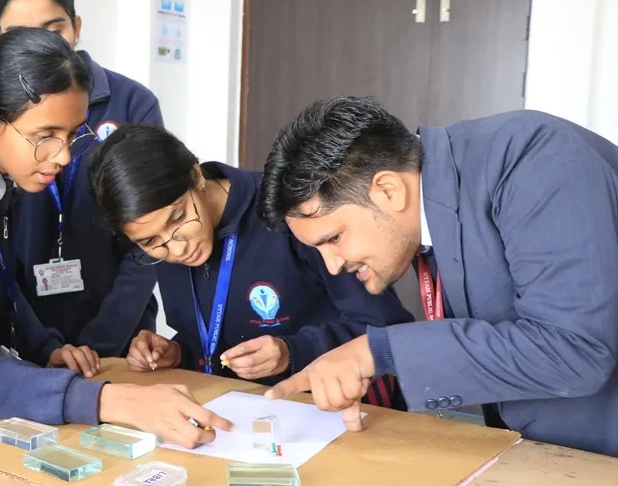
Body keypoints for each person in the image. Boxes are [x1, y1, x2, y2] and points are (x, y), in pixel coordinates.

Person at [0, 27, 232, 447]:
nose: (64, 156)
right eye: (46, 137)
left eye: (73, 135)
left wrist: (44, 346)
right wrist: (112, 402)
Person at [259, 96, 618, 456]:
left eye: (334, 238)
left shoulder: (531, 158)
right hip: (542, 453)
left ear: (388, 191)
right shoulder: (425, 213)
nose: (333, 265)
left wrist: (380, 352)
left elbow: (575, 349)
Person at [87, 124, 413, 408]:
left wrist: (291, 351)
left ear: (196, 176)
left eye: (177, 219)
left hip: (336, 406)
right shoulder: (166, 240)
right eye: (149, 243)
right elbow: (211, 334)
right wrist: (178, 352)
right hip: (241, 415)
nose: (176, 247)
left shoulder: (288, 212)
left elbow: (386, 327)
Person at [0, 0, 163, 357]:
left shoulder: (132, 103)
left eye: (55, 30)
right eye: (21, 35)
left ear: (76, 27)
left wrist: (102, 341)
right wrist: (39, 340)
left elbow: (152, 233)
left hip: (121, 333)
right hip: (21, 331)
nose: (41, 47)